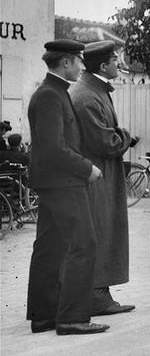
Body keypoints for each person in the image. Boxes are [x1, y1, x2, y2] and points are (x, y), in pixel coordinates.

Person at [26, 40, 108, 336]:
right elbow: (53, 148)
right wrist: (87, 168)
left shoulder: (51, 92)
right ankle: (72, 317)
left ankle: (44, 315)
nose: (82, 67)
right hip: (63, 183)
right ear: (65, 63)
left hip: (52, 182)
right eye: (79, 61)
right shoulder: (51, 96)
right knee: (84, 244)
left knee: (50, 247)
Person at [69, 41, 139, 317]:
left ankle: (99, 293)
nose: (119, 64)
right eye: (115, 60)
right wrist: (125, 136)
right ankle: (96, 296)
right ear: (102, 65)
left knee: (103, 230)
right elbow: (104, 141)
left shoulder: (92, 90)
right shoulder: (88, 95)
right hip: (97, 176)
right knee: (101, 231)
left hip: (100, 174)